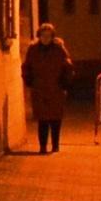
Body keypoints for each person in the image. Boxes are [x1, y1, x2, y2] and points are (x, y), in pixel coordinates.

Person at [21, 23, 74, 154]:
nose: (45, 38)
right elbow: (26, 66)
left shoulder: (58, 49)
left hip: (56, 88)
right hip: (40, 89)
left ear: (52, 37)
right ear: (39, 36)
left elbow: (68, 67)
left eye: (48, 36)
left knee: (55, 119)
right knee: (43, 120)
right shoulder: (33, 50)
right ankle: (43, 146)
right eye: (43, 36)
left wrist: (64, 83)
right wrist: (29, 80)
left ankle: (55, 145)